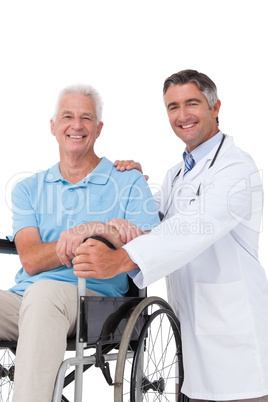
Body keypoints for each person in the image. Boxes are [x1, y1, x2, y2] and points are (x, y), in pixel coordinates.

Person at [73, 70, 268, 402]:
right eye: (172, 107)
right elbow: (156, 222)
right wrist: (132, 186)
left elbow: (192, 228)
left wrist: (121, 260)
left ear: (215, 106)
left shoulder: (237, 168)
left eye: (192, 103)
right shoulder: (177, 173)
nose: (182, 115)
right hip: (194, 338)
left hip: (235, 341)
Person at [0, 84, 159, 402]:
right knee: (39, 295)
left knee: (44, 295)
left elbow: (152, 243)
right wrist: (77, 238)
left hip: (95, 302)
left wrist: (96, 230)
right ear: (53, 126)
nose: (76, 125)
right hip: (25, 301)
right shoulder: (28, 188)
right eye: (68, 116)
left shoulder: (126, 181)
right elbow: (30, 259)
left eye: (86, 118)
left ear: (98, 128)